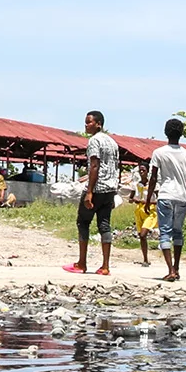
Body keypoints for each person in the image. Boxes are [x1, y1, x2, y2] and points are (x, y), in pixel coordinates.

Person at [68, 110, 121, 275]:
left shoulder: (94, 141)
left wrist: (89, 192)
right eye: (85, 122)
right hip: (110, 189)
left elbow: (94, 166)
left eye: (89, 122)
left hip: (97, 188)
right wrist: (115, 191)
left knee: (83, 222)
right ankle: (105, 266)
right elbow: (115, 167)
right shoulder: (113, 142)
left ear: (98, 123)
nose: (86, 125)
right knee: (104, 225)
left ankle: (82, 263)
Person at [147, 118, 186, 282]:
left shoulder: (159, 153)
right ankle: (176, 267)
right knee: (177, 233)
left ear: (165, 132)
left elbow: (153, 178)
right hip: (182, 197)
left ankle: (170, 270)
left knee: (165, 233)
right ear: (181, 133)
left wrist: (148, 199)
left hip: (165, 195)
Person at [131, 160, 155, 268]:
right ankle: (145, 259)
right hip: (139, 211)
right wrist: (134, 200)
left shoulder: (153, 184)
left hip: (150, 211)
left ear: (148, 171)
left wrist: (148, 202)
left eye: (143, 170)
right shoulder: (137, 185)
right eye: (140, 170)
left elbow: (159, 199)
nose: (141, 172)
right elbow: (131, 197)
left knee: (143, 234)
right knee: (141, 236)